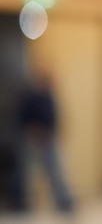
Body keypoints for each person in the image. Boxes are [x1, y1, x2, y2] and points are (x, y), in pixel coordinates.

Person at [14, 72, 74, 214]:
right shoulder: (31, 97)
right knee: (27, 172)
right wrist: (35, 133)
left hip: (49, 138)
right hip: (35, 139)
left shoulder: (49, 96)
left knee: (56, 171)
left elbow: (53, 117)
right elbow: (24, 119)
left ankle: (63, 201)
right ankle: (22, 203)